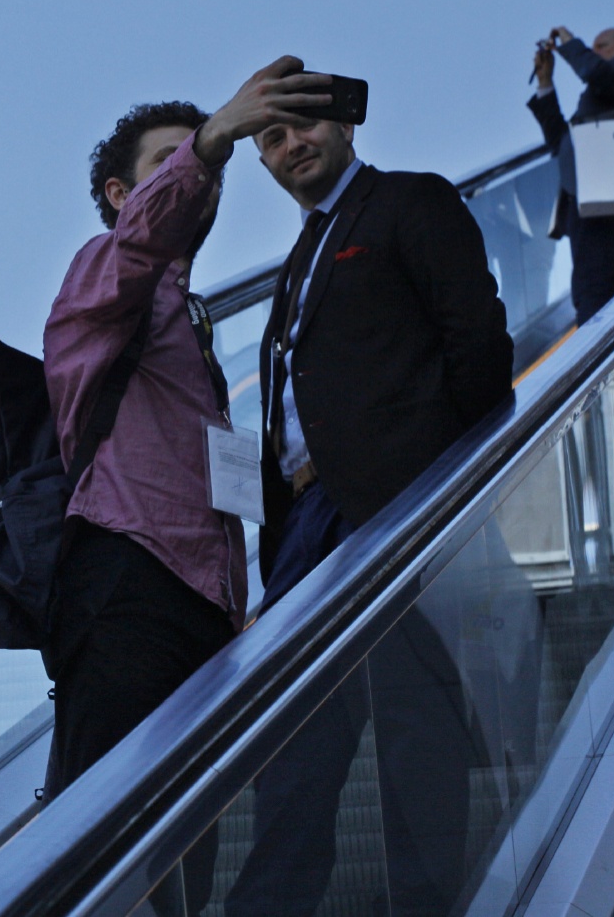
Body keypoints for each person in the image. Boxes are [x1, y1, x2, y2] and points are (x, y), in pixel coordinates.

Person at [41, 59, 333, 911]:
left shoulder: (189, 317)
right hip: (127, 578)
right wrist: (208, 142)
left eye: (204, 171)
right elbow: (143, 242)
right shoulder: (103, 271)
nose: (199, 184)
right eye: (167, 166)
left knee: (181, 863)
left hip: (202, 608)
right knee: (108, 851)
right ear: (116, 192)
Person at [223, 97, 512, 917]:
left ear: (346, 128)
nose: (290, 145)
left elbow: (478, 340)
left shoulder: (409, 202)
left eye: (304, 126)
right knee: (293, 742)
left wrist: (439, 477)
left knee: (415, 721)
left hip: (395, 504)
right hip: (306, 528)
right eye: (272, 139)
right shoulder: (299, 258)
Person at [529, 27, 614, 323]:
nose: (593, 53)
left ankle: (597, 368)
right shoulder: (608, 94)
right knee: (604, 293)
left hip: (608, 202)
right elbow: (561, 142)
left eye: (601, 46)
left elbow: (598, 74)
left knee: (594, 293)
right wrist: (545, 82)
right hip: (601, 198)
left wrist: (569, 42)